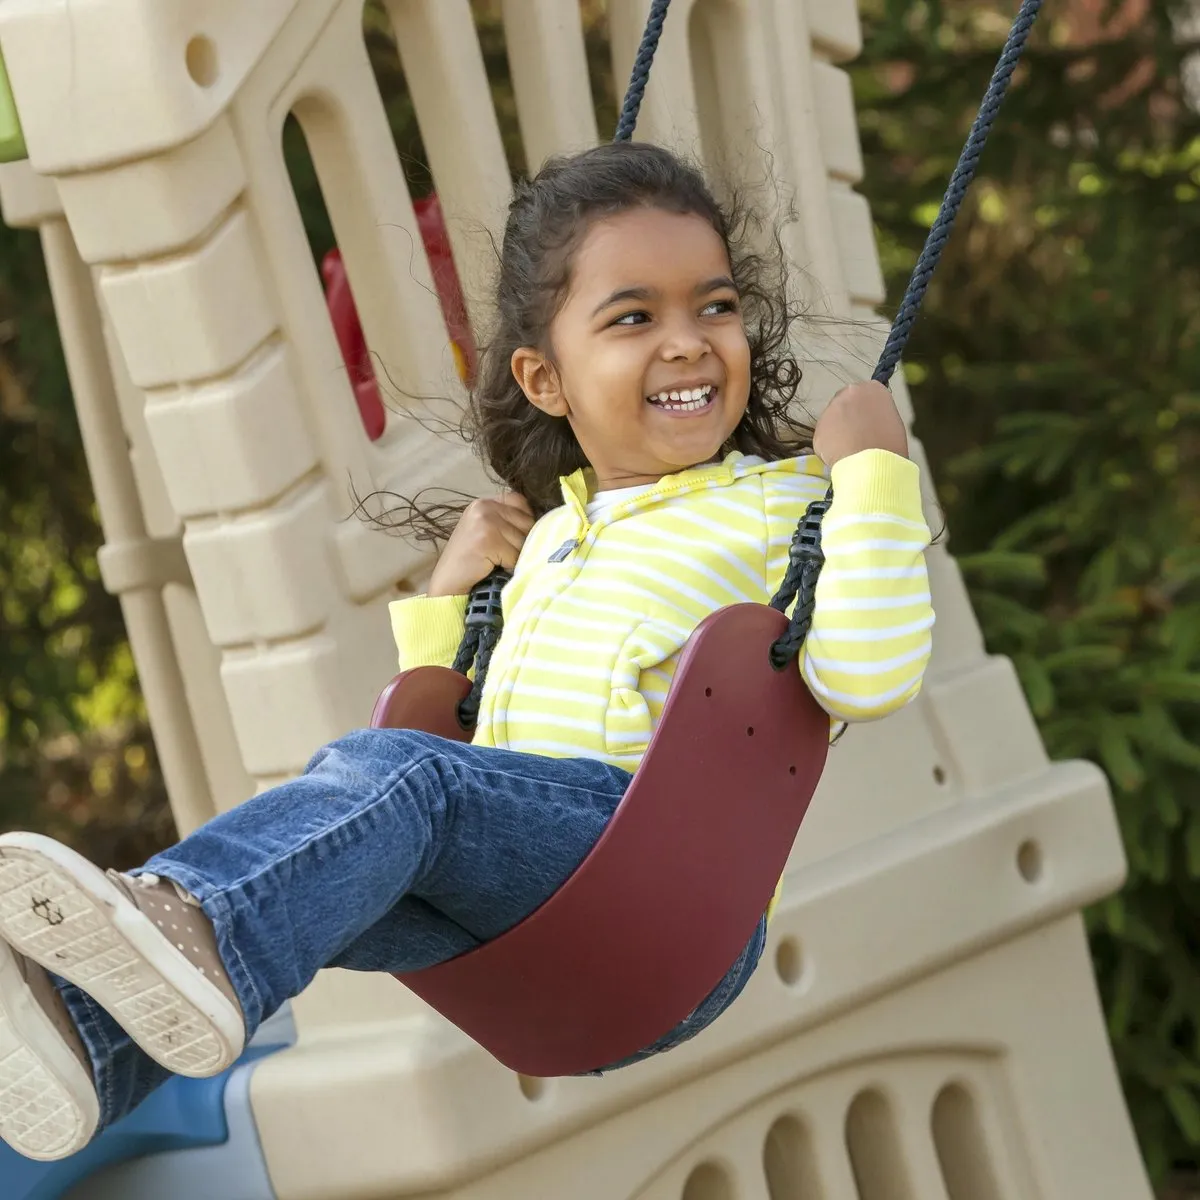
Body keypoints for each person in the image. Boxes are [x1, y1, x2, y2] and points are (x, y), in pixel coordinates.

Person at [0, 142, 934, 1162]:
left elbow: (867, 675)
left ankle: (179, 913)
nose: (688, 343)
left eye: (713, 308)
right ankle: (91, 1044)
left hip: (658, 897)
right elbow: (464, 735)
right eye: (634, 317)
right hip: (545, 942)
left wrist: (875, 478)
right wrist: (449, 600)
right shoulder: (549, 539)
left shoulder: (782, 504)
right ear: (544, 378)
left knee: (403, 788)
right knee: (336, 877)